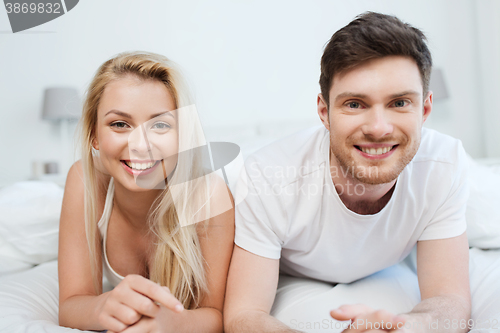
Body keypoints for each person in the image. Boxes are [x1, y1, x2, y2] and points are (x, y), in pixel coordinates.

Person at [224, 12, 472, 333]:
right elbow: (243, 316)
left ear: (424, 109)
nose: (378, 129)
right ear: (324, 113)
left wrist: (409, 327)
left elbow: (450, 299)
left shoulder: (446, 162)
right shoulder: (266, 177)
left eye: (399, 103)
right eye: (355, 104)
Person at [58, 52, 234, 333]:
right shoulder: (84, 179)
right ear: (94, 134)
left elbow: (216, 314)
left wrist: (171, 323)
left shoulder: (210, 195)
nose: (141, 145)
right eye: (119, 124)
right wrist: (103, 307)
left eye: (160, 125)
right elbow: (70, 304)